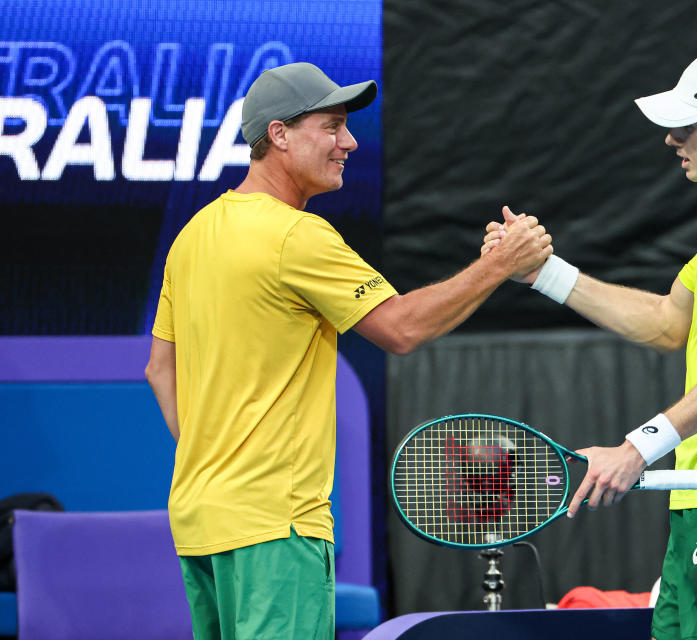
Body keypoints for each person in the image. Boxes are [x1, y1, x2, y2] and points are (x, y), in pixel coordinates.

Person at [144, 62, 550, 640]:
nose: (350, 142)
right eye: (332, 126)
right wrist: (498, 265)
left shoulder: (194, 234)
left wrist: (220, 454)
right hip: (274, 525)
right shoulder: (296, 235)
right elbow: (401, 329)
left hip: (200, 517)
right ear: (279, 135)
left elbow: (160, 369)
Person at [484, 46, 697, 639]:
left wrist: (637, 448)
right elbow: (669, 322)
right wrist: (543, 273)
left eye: (686, 127)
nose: (672, 140)